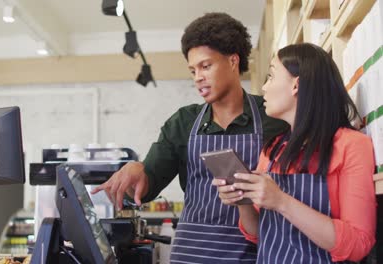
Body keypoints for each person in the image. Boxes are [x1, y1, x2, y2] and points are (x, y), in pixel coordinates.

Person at [92, 13, 287, 262]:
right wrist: (134, 171)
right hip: (191, 254)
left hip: (254, 252)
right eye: (193, 70)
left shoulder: (272, 117)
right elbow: (147, 185)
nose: (198, 77)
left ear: (233, 61)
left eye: (206, 66)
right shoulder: (183, 123)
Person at [213, 43, 377, 263]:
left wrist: (281, 201)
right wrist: (241, 200)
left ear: (296, 85)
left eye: (270, 76)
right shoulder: (273, 150)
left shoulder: (352, 145)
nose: (263, 88)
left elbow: (358, 244)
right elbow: (259, 233)